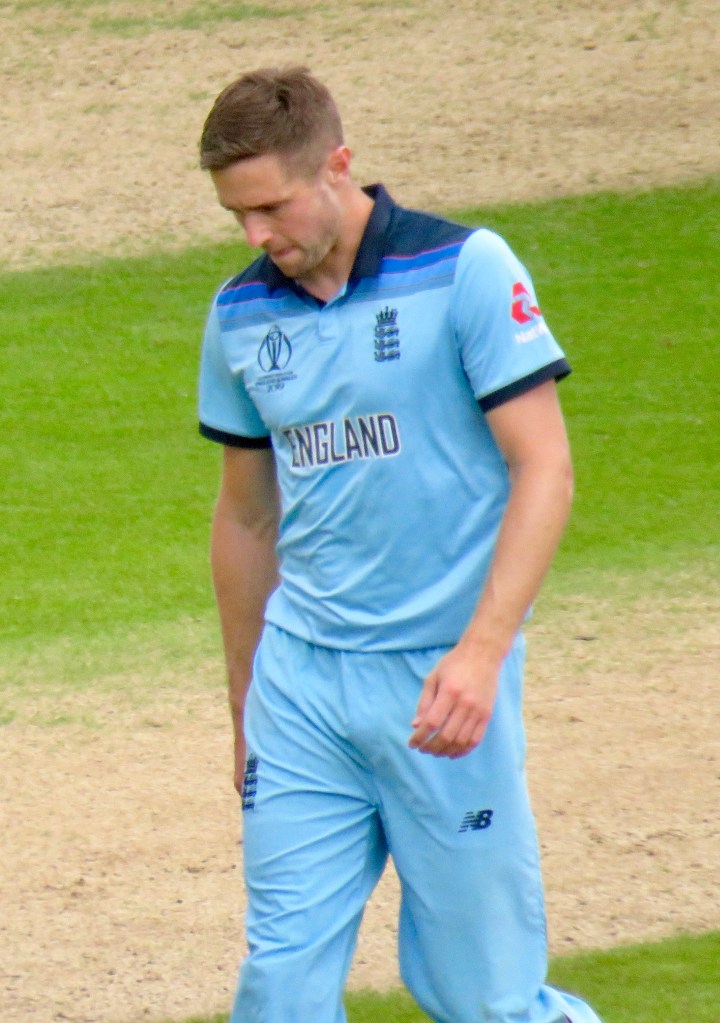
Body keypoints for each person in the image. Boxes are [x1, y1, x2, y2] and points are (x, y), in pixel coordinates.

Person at [197, 66, 603, 1023]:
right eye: (235, 214)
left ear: (336, 164)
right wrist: (245, 703)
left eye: (270, 206)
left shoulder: (466, 269)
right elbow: (246, 519)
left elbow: (544, 468)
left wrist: (481, 652)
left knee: (486, 999)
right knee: (279, 988)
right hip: (300, 686)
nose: (255, 235)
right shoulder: (240, 314)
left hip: (440, 682)